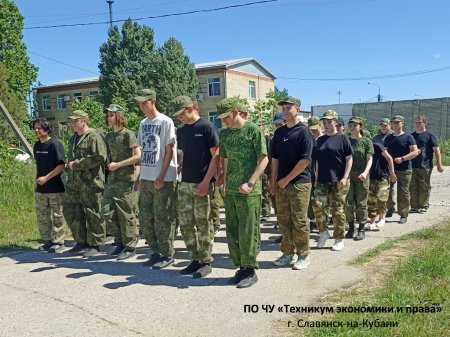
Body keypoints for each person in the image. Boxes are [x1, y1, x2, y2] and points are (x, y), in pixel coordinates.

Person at [218, 97, 268, 288]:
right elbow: (225, 159)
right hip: (230, 190)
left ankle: (250, 270)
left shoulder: (253, 130)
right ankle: (240, 267)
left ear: (235, 112)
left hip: (249, 191)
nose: (224, 121)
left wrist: (251, 182)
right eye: (222, 118)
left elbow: (264, 159)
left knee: (248, 231)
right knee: (232, 231)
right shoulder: (225, 134)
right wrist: (223, 181)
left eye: (226, 117)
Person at [171, 95, 219, 278]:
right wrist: (181, 166)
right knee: (186, 222)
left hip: (202, 183)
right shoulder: (182, 131)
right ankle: (195, 258)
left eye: (181, 113)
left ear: (191, 109)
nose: (179, 118)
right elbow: (185, 152)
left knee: (203, 223)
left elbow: (216, 155)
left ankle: (206, 261)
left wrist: (207, 181)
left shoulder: (207, 127)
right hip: (185, 182)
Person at [135, 89, 178, 269]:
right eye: (140, 103)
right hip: (146, 176)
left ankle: (167, 254)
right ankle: (155, 251)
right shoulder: (143, 123)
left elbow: (169, 151)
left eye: (144, 102)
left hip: (164, 178)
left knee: (163, 217)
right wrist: (139, 177)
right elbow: (141, 150)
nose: (141, 106)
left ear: (153, 101)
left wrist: (161, 176)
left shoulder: (166, 121)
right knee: (145, 216)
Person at [270, 97, 313, 270]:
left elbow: (305, 160)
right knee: (283, 219)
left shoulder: (304, 132)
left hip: (299, 183)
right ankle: (288, 253)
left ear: (298, 110)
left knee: (299, 220)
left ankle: (303, 255)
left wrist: (287, 179)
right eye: (283, 109)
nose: (285, 111)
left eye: (289, 108)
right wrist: (273, 181)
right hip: (281, 184)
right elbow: (275, 159)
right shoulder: (279, 133)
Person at [64, 110, 107, 257]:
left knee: (93, 213)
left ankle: (96, 244)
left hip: (91, 183)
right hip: (75, 183)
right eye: (72, 121)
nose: (73, 124)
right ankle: (81, 241)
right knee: (72, 211)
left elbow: (98, 157)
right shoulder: (73, 139)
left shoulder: (94, 136)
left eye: (75, 121)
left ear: (84, 121)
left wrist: (76, 164)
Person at [101, 104, 141, 260]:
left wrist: (119, 164)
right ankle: (119, 241)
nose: (108, 117)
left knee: (126, 214)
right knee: (107, 211)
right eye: (108, 115)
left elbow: (138, 156)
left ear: (119, 116)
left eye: (111, 115)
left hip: (125, 179)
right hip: (112, 179)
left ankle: (129, 245)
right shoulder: (109, 136)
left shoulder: (128, 134)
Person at [312, 110, 352, 251]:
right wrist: (316, 178)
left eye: (329, 122)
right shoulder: (320, 140)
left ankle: (339, 238)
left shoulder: (343, 138)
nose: (327, 124)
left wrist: (345, 177)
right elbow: (316, 161)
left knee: (338, 210)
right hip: (322, 180)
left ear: (336, 122)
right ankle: (323, 233)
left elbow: (349, 159)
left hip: (338, 181)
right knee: (317, 206)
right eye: (325, 122)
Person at [32, 118, 67, 253]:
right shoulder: (37, 146)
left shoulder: (55, 144)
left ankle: (58, 242)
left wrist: (46, 178)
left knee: (58, 215)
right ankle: (47, 241)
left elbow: (61, 165)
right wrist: (37, 182)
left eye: (39, 128)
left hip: (55, 187)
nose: (36, 130)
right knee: (42, 215)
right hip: (41, 188)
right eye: (35, 128)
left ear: (46, 129)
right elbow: (39, 166)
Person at [385, 115, 419, 224]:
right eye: (393, 123)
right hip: (391, 169)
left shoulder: (408, 137)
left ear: (402, 124)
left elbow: (415, 152)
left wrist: (403, 158)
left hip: (405, 170)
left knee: (403, 192)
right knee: (387, 190)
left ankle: (403, 214)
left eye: (397, 123)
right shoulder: (388, 138)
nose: (395, 125)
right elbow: (385, 153)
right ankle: (390, 208)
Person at [344, 116, 373, 241]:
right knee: (348, 202)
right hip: (348, 175)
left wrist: (365, 172)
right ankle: (351, 227)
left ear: (360, 127)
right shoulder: (346, 140)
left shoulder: (366, 141)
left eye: (355, 125)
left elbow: (370, 159)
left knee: (361, 203)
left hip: (362, 176)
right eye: (350, 125)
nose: (352, 127)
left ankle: (361, 228)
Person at [410, 115, 444, 213]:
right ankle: (414, 206)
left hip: (425, 165)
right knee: (412, 186)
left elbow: (436, 150)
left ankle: (423, 205)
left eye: (419, 122)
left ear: (425, 123)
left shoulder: (430, 135)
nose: (417, 124)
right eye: (415, 122)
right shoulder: (411, 136)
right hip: (412, 165)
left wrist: (439, 164)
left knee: (424, 186)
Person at [367, 141, 397, 230]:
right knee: (371, 200)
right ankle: (372, 222)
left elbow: (389, 158)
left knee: (381, 198)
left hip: (382, 176)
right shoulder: (364, 148)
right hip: (371, 177)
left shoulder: (377, 146)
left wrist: (392, 173)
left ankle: (382, 218)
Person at [373, 118, 396, 217]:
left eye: (385, 125)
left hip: (391, 163)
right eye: (381, 125)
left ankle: (390, 207)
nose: (383, 127)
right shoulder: (376, 137)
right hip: (379, 165)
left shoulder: (393, 136)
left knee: (390, 188)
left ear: (389, 125)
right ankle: (381, 208)